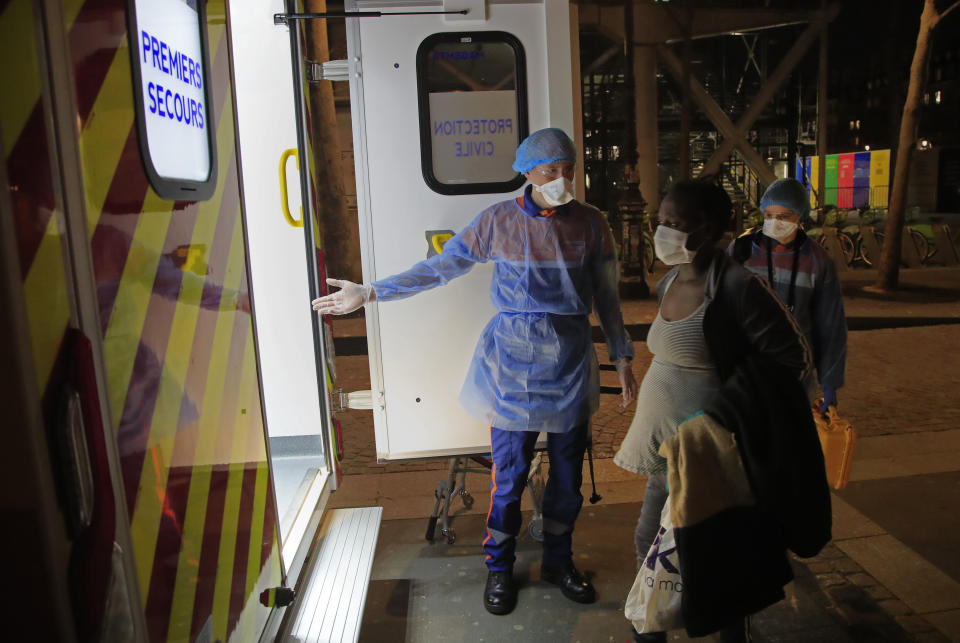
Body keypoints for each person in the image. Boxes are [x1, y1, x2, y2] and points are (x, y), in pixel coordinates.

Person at [312, 128, 637, 616]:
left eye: (568, 169)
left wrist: (624, 356)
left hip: (569, 363)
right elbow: (441, 268)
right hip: (511, 366)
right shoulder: (497, 222)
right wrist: (371, 292)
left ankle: (558, 560)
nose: (562, 179)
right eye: (551, 171)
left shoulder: (591, 224)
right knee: (509, 477)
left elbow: (608, 297)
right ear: (527, 170)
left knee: (568, 477)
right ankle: (500, 568)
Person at [613, 180, 816, 643]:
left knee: (713, 552)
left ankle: (723, 634)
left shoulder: (738, 287)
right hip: (671, 451)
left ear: (707, 228)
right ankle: (654, 628)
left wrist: (731, 414)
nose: (662, 230)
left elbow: (795, 359)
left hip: (710, 453)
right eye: (659, 221)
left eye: (674, 223)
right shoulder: (669, 279)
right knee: (654, 541)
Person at [729, 178, 847, 412]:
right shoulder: (741, 251)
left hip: (796, 371)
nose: (774, 223)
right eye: (769, 215)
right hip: (746, 366)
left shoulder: (818, 261)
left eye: (783, 217)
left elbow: (831, 324)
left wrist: (830, 382)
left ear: (800, 218)